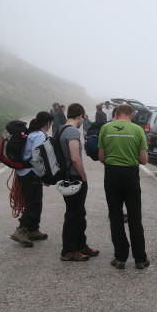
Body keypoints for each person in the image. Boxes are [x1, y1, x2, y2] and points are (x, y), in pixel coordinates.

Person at [98, 103, 150, 269]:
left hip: (112, 174)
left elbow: (101, 157)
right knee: (135, 217)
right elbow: (143, 160)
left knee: (115, 216)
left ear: (116, 113)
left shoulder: (105, 128)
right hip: (131, 175)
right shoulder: (137, 130)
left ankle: (120, 257)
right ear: (131, 114)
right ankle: (140, 258)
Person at [57, 103, 99, 262]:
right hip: (75, 178)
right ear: (80, 115)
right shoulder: (73, 131)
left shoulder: (60, 129)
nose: (83, 121)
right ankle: (69, 250)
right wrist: (84, 176)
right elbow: (75, 158)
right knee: (74, 214)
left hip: (65, 176)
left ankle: (81, 245)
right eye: (83, 117)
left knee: (78, 213)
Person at [10, 111, 54, 247]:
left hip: (24, 171)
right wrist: (44, 176)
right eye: (50, 123)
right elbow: (38, 158)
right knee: (34, 203)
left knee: (33, 201)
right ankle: (22, 230)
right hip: (31, 172)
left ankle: (33, 229)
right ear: (48, 123)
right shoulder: (40, 135)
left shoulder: (32, 133)